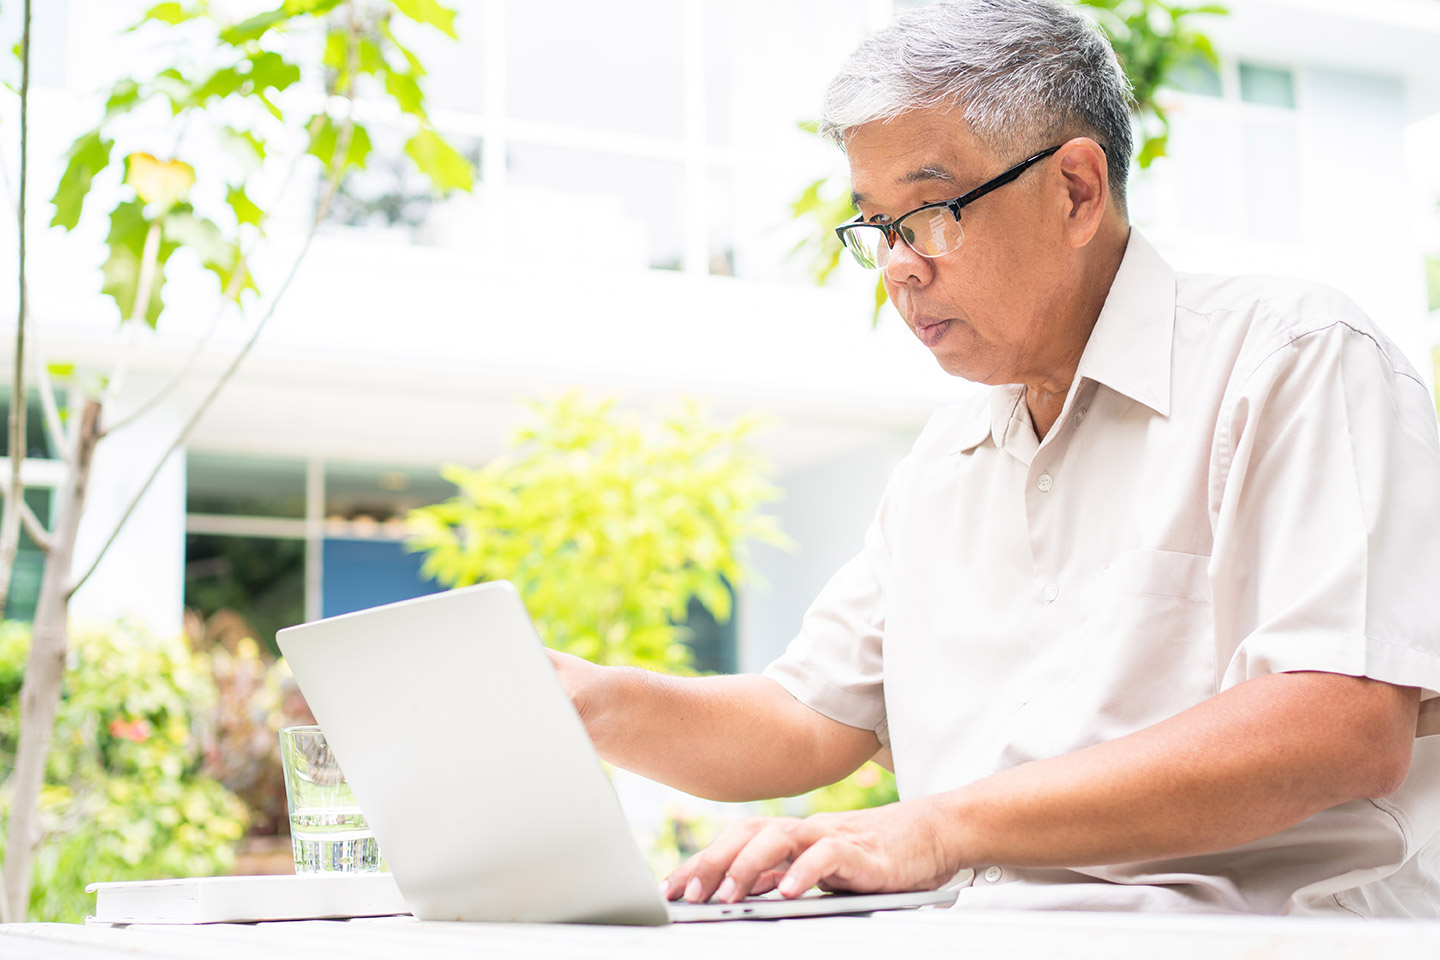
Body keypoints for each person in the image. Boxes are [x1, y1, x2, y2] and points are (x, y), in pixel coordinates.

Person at [550, 0, 1440, 915]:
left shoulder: (1293, 358)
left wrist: (934, 828)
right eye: (878, 228)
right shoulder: (949, 457)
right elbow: (809, 720)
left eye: (931, 212)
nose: (900, 265)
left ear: (1076, 190)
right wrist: (582, 702)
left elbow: (1340, 721)